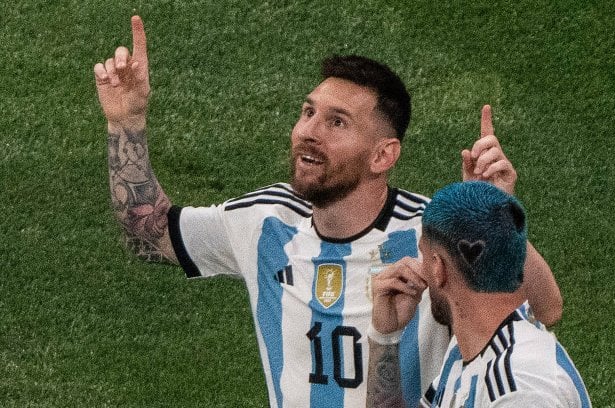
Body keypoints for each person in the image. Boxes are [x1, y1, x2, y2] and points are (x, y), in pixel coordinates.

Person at [93, 15, 563, 408]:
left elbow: (544, 308)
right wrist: (126, 122)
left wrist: (493, 212)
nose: (309, 131)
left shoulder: (430, 231)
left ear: (383, 155)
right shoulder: (264, 220)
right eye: (307, 112)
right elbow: (149, 231)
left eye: (336, 122)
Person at [366, 181, 591, 407]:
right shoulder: (463, 353)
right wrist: (385, 336)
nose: (418, 268)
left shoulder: (519, 388)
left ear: (437, 267)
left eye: (422, 255)